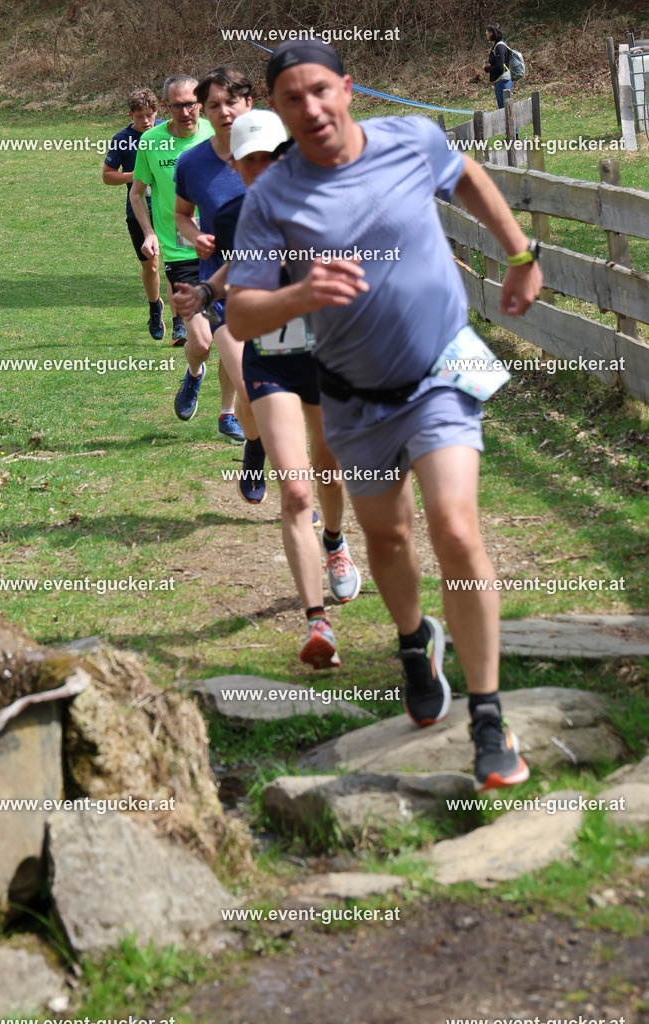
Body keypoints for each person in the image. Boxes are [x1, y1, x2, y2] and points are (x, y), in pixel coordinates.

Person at [225, 39, 543, 791]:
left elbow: (465, 174)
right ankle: (412, 641)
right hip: (353, 396)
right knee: (387, 537)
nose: (309, 109)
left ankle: (488, 717)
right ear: (277, 109)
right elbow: (239, 312)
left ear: (346, 89)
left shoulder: (411, 141)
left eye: (319, 91)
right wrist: (299, 296)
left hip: (441, 371)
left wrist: (520, 253)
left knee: (456, 529)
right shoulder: (273, 198)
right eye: (291, 99)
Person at [175, 109, 361, 668]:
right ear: (237, 162)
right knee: (297, 489)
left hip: (325, 356)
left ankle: (334, 540)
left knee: (327, 473)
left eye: (268, 157)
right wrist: (205, 295)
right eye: (247, 160)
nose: (258, 169)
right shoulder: (233, 214)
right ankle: (316, 623)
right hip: (270, 358)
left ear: (287, 154)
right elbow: (236, 266)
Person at [130, 74, 243, 443]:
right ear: (165, 107)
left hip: (224, 255)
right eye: (177, 105)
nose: (186, 111)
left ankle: (227, 414)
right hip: (181, 254)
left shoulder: (220, 133)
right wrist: (149, 233)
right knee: (203, 342)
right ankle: (194, 374)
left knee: (228, 336)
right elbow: (137, 193)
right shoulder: (150, 141)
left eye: (192, 102)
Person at [173, 67, 267, 498]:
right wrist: (198, 237)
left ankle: (267, 457)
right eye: (214, 104)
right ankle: (256, 443)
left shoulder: (278, 151)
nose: (224, 111)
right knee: (250, 389)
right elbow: (180, 214)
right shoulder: (193, 162)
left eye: (233, 101)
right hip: (224, 291)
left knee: (279, 399)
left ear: (249, 102)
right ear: (203, 111)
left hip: (283, 291)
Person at [102, 89, 183, 343]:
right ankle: (154, 308)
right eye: (140, 116)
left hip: (170, 209)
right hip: (139, 212)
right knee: (152, 265)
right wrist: (138, 175)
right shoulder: (123, 139)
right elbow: (107, 175)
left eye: (150, 115)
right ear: (130, 115)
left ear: (158, 111)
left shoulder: (168, 133)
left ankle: (179, 323)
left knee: (174, 265)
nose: (146, 121)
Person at [484, 23, 512, 111]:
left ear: (491, 33)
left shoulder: (500, 46)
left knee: (504, 110)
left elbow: (500, 67)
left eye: (487, 31)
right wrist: (490, 65)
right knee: (502, 109)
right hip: (499, 82)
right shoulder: (496, 46)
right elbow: (498, 63)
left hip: (502, 82)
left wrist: (487, 69)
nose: (486, 33)